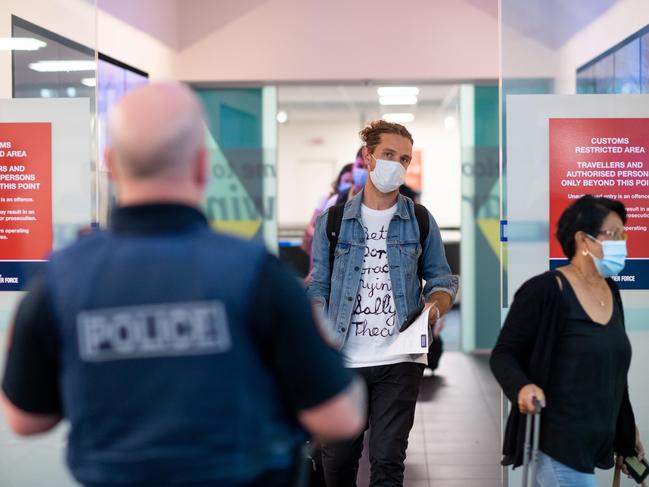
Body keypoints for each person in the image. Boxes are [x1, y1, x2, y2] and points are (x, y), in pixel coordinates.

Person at [0, 82, 366, 487]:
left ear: (112, 164)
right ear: (201, 165)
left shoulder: (59, 279)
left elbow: (25, 418)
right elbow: (340, 417)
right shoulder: (255, 274)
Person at [307, 119, 458, 486]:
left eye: (404, 159)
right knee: (337, 463)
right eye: (388, 154)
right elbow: (318, 288)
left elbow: (442, 281)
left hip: (399, 360)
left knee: (388, 461)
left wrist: (434, 307)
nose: (397, 164)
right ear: (368, 157)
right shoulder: (334, 221)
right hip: (343, 361)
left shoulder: (420, 220)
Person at [490, 195, 644, 487]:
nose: (621, 242)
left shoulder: (610, 291)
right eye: (613, 234)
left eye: (623, 234)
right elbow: (503, 354)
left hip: (594, 441)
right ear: (583, 241)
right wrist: (522, 387)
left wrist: (626, 434)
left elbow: (613, 373)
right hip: (556, 442)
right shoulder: (546, 290)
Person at [302, 163, 353, 258]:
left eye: (352, 182)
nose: (349, 185)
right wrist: (323, 238)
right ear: (339, 181)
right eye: (346, 181)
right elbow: (311, 226)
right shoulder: (329, 199)